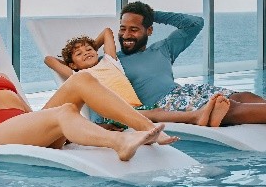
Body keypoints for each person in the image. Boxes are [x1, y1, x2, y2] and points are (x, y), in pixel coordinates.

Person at [48, 1, 266, 145]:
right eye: (123, 29)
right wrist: (90, 51)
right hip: (164, 106)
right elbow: (96, 94)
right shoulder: (109, 63)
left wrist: (151, 13)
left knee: (244, 95)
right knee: (229, 108)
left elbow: (195, 23)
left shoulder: (163, 48)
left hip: (185, 92)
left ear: (149, 30)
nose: (126, 35)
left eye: (134, 29)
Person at [0, 29, 176, 161]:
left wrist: (81, 128)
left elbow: (30, 116)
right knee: (65, 110)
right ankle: (119, 143)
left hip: (27, 130)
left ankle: (148, 128)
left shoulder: (1, 77)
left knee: (81, 79)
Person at [44, 28, 231, 127]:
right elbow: (49, 60)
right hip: (110, 115)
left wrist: (90, 47)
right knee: (156, 114)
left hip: (133, 107)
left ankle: (203, 115)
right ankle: (195, 117)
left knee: (160, 111)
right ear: (72, 65)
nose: (86, 52)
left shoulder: (110, 61)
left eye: (89, 49)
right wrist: (73, 61)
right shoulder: (78, 75)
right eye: (79, 54)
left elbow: (107, 32)